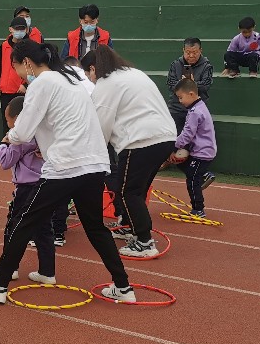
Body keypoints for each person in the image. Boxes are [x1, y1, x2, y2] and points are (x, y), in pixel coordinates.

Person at [0, 40, 135, 305]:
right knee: (95, 228)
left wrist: (9, 137)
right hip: (94, 163)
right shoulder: (72, 78)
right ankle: (124, 287)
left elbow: (23, 131)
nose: (19, 75)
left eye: (16, 68)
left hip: (66, 165)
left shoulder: (42, 83)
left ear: (26, 63)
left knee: (24, 221)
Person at [84, 45, 177, 260]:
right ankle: (128, 225)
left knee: (129, 191)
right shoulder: (133, 73)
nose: (89, 78)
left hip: (141, 140)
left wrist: (91, 154)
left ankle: (144, 241)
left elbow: (101, 126)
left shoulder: (106, 83)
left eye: (88, 73)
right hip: (165, 136)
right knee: (137, 188)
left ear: (93, 68)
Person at [0, 95, 56, 284]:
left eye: (8, 120)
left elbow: (5, 161)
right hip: (45, 184)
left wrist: (3, 143)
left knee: (14, 227)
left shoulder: (20, 137)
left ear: (17, 119)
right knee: (44, 229)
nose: (8, 124)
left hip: (26, 188)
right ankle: (47, 272)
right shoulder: (44, 131)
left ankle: (10, 269)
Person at [171, 78, 218, 218]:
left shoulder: (195, 112)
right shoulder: (200, 106)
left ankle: (198, 209)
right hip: (202, 150)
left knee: (192, 180)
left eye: (181, 97)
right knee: (181, 162)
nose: (180, 101)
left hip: (202, 152)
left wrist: (174, 146)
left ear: (191, 94)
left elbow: (187, 134)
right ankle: (204, 174)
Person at [166, 37, 214, 130]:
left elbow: (206, 86)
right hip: (176, 108)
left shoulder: (206, 66)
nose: (191, 56)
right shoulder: (175, 64)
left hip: (196, 109)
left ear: (200, 50)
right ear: (183, 50)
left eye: (195, 52)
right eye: (188, 52)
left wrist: (192, 84)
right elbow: (170, 84)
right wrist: (183, 83)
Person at [0, 16, 30, 132]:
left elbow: (33, 69)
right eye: (17, 29)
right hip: (5, 91)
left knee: (22, 124)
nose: (19, 31)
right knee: (6, 123)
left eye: (22, 29)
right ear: (10, 29)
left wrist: (25, 85)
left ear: (26, 30)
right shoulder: (4, 46)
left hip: (21, 91)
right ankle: (6, 143)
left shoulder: (30, 46)